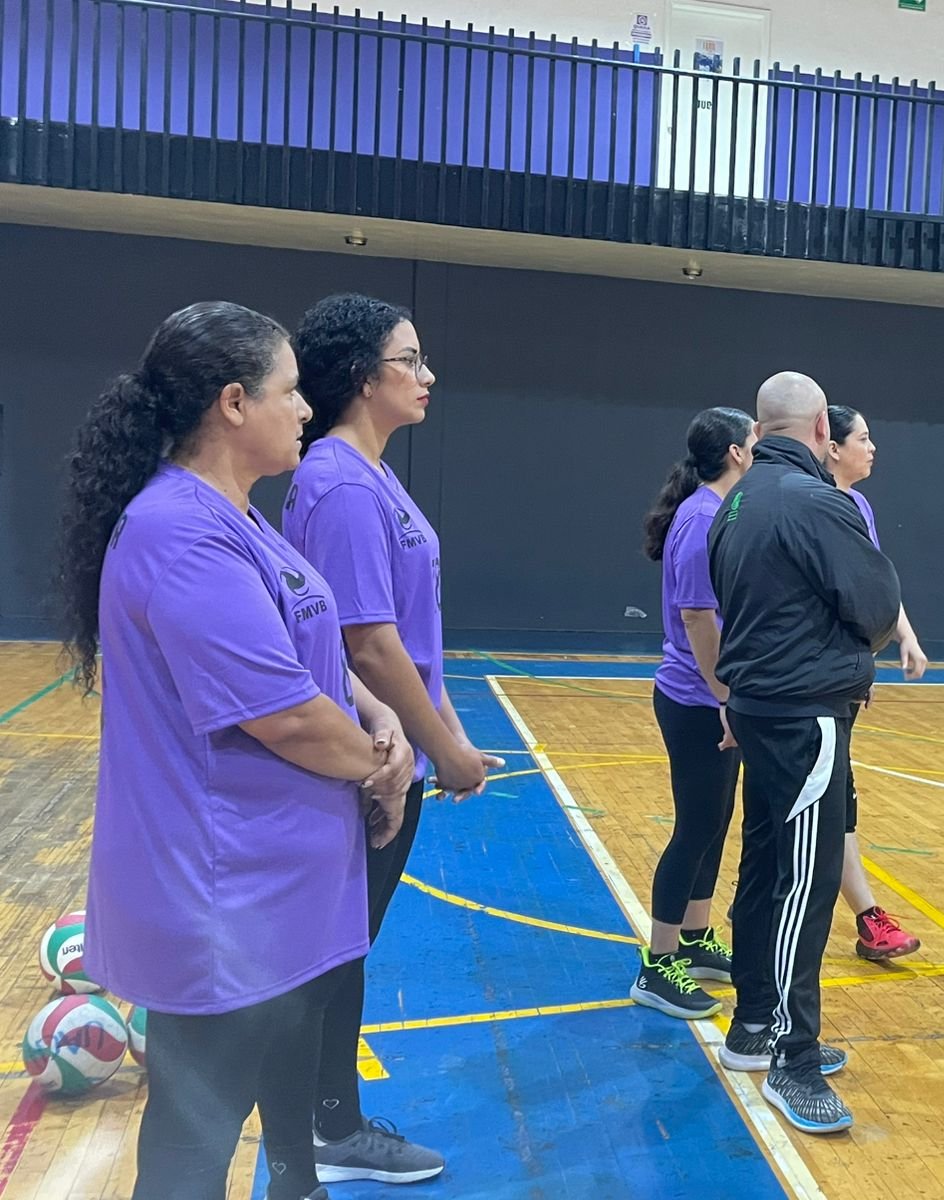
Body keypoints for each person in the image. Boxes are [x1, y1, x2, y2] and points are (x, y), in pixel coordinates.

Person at [60, 302, 414, 1200]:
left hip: (277, 898)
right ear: (231, 403)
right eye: (290, 393)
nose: (305, 410)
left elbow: (317, 658)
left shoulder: (241, 516)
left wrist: (381, 716)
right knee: (192, 1145)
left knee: (272, 1108)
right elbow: (287, 714)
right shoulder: (179, 532)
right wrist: (381, 763)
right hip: (219, 901)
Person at [285, 293, 503, 1185]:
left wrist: (448, 729)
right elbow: (364, 642)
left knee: (348, 942)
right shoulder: (336, 481)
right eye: (410, 359)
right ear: (362, 377)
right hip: (368, 758)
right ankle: (325, 1130)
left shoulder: (371, 474)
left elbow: (407, 634)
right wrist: (438, 750)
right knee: (335, 945)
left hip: (401, 748)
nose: (427, 375)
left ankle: (327, 1122)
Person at [709, 372, 901, 1135]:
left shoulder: (739, 502)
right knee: (806, 884)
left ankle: (753, 1025)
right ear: (822, 427)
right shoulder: (820, 502)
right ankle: (792, 1056)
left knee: (764, 868)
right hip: (806, 717)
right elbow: (878, 606)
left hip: (758, 709)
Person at [630, 407, 755, 1018]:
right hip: (697, 700)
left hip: (714, 699)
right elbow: (698, 618)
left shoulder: (718, 512)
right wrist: (727, 698)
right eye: (755, 439)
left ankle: (697, 939)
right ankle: (656, 966)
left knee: (713, 822)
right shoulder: (702, 519)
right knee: (695, 827)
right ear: (736, 452)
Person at [823, 404, 924, 961]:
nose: (873, 446)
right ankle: (866, 918)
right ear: (832, 446)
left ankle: (868, 919)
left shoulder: (858, 505)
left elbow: (876, 586)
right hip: (811, 682)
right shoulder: (812, 506)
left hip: (844, 677)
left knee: (837, 798)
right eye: (863, 437)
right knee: (825, 801)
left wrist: (904, 638)